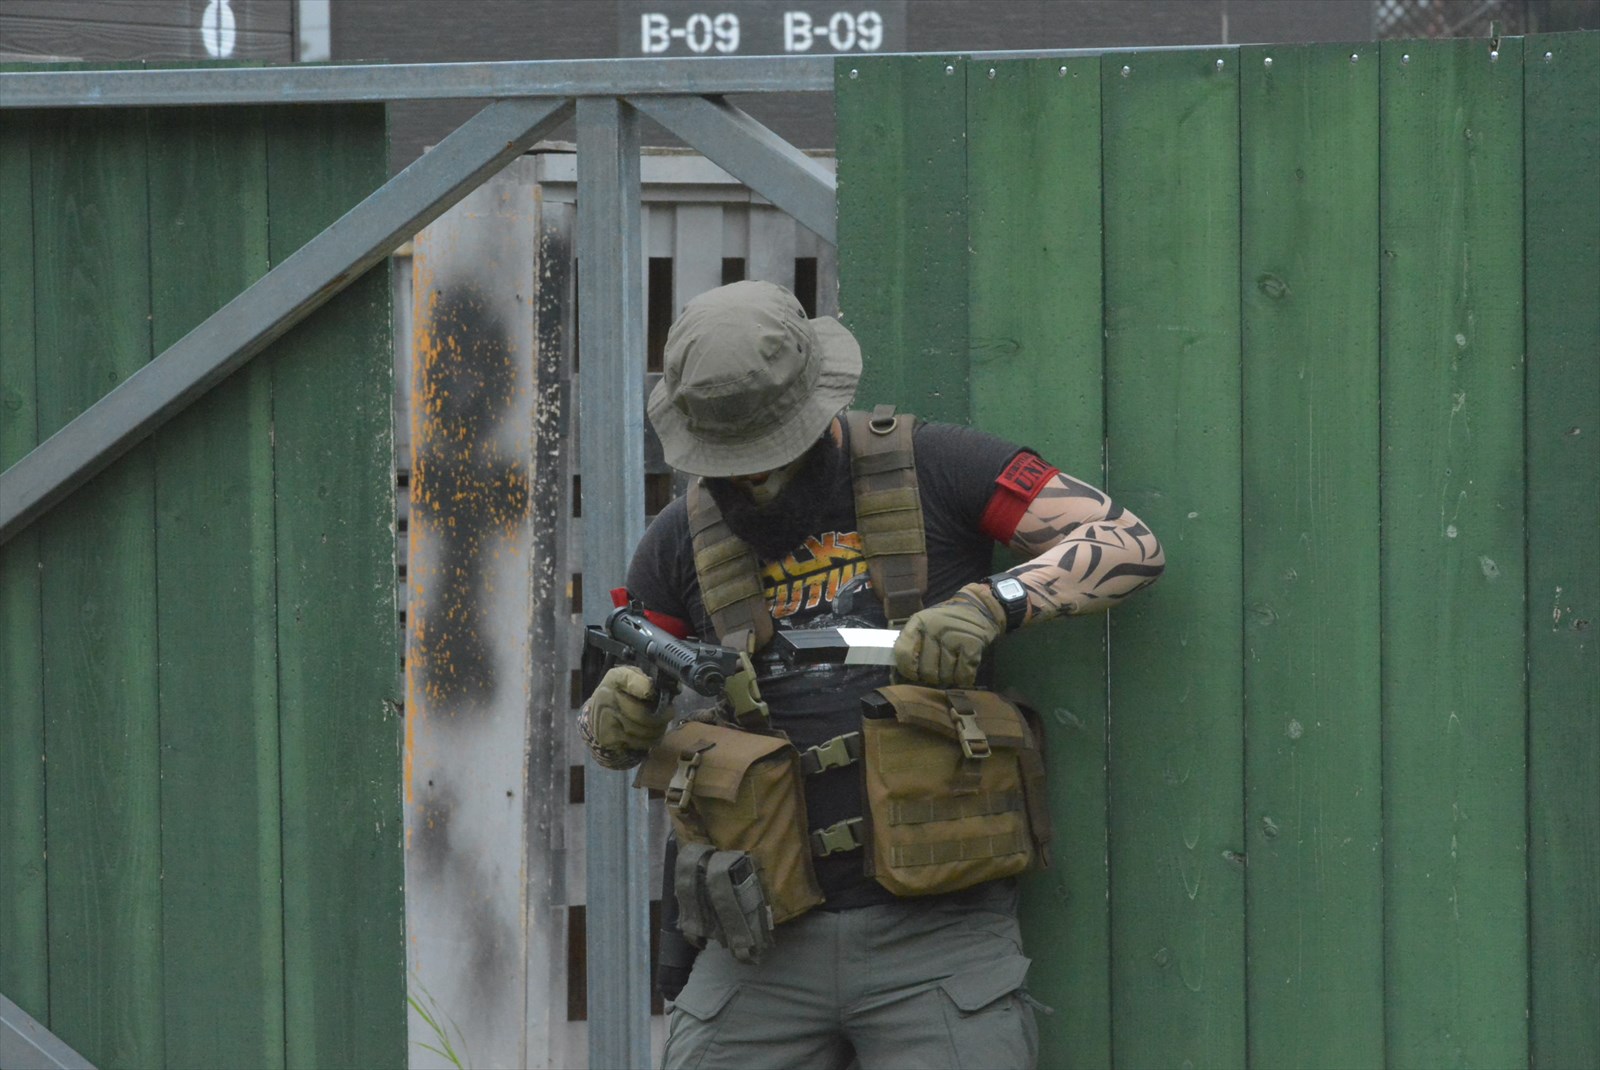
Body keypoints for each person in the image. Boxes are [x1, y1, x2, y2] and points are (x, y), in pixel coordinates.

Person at [578, 280, 1163, 1070]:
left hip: (938, 937)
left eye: (771, 454)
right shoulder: (679, 538)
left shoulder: (935, 466)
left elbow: (1129, 542)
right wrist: (616, 716)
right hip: (756, 935)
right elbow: (609, 722)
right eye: (733, 463)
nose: (753, 482)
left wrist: (991, 605)